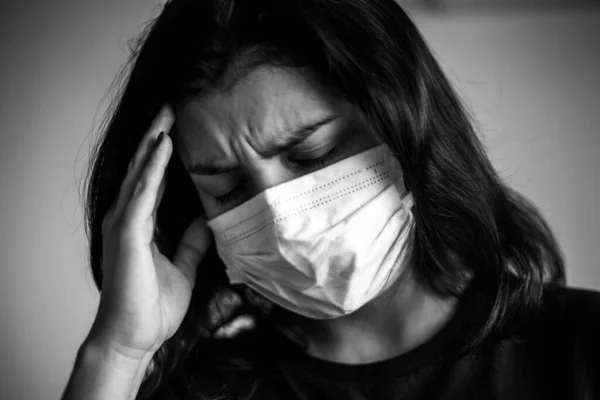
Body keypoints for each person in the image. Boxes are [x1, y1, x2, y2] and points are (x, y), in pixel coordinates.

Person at [61, 0, 600, 399]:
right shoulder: (210, 390)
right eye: (228, 188)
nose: (282, 221)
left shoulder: (579, 350)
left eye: (312, 154)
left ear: (405, 124)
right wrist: (117, 355)